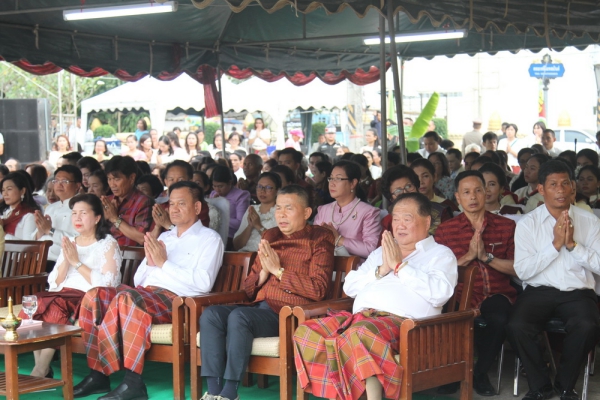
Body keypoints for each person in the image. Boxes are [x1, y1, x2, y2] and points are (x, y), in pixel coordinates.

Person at [294, 192, 458, 400]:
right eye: (395, 219)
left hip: (407, 326)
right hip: (360, 320)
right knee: (306, 331)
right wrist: (382, 269)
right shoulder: (382, 253)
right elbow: (351, 286)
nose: (399, 225)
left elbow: (440, 294)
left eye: (407, 219)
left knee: (360, 333)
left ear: (427, 222)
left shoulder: (440, 254)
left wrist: (400, 266)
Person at [73, 181, 223, 399]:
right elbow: (138, 279)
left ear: (198, 208)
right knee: (95, 295)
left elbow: (203, 284)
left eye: (181, 204)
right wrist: (153, 262)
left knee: (126, 299)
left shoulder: (210, 239)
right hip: (146, 294)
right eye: (171, 204)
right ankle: (98, 375)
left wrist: (164, 264)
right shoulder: (164, 237)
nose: (174, 209)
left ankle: (134, 382)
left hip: (178, 302)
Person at [200, 185, 334, 400]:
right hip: (258, 308)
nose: (280, 214)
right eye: (278, 208)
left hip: (288, 314)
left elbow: (318, 289)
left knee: (239, 317)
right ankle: (213, 391)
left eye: (288, 208)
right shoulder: (271, 235)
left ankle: (229, 392)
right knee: (211, 314)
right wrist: (263, 272)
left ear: (307, 213)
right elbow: (248, 289)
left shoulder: (319, 238)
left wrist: (279, 271)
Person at [506, 160, 600, 400]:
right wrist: (556, 245)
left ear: (573, 189)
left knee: (588, 325)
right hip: (539, 291)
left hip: (578, 291)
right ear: (541, 190)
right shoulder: (528, 224)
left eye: (565, 184)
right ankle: (540, 386)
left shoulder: (590, 222)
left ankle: (565, 385)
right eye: (553, 184)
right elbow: (524, 271)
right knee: (517, 325)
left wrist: (572, 245)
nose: (560, 190)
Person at [435, 170, 517, 396]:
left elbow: (518, 268)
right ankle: (453, 372)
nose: (473, 197)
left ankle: (478, 373)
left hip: (497, 294)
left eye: (478, 191)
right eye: (466, 192)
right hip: (461, 295)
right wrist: (470, 256)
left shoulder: (506, 226)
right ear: (457, 198)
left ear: (487, 193)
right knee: (444, 315)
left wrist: (486, 257)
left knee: (500, 317)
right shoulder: (445, 230)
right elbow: (440, 272)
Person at [21, 194, 121, 378]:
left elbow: (109, 284)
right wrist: (67, 261)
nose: (77, 218)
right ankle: (42, 367)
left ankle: (40, 371)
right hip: (64, 293)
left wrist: (76, 263)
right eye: (74, 213)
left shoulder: (107, 243)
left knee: (56, 305)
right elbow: (55, 283)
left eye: (83, 213)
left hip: (89, 297)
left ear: (98, 217)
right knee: (36, 302)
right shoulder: (72, 241)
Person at [313, 160, 381, 259]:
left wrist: (339, 239)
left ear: (353, 183)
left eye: (338, 178)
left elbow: (371, 249)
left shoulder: (368, 212)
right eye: (331, 178)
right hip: (324, 267)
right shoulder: (323, 210)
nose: (332, 183)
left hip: (355, 271)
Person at [34, 165, 82, 272]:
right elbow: (34, 237)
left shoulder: (82, 208)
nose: (59, 185)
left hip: (61, 262)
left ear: (77, 185)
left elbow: (80, 240)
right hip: (39, 258)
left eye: (64, 181)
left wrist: (50, 231)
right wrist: (41, 231)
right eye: (56, 181)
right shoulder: (51, 207)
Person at [101, 156, 153, 246]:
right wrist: (103, 219)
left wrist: (115, 219)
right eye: (109, 179)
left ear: (132, 178)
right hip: (104, 254)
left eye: (117, 179)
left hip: (129, 257)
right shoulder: (107, 201)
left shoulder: (143, 202)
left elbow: (142, 238)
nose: (112, 184)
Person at [233, 172, 281, 252]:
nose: (262, 191)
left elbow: (277, 244)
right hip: (244, 257)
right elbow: (237, 245)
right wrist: (250, 226)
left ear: (277, 191)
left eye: (268, 187)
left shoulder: (281, 212)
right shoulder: (252, 209)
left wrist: (258, 226)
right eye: (259, 187)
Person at [210, 165, 251, 247]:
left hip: (231, 237)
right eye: (214, 186)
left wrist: (219, 217)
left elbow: (240, 223)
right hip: (213, 235)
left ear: (230, 183)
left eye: (221, 186)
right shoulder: (213, 194)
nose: (217, 190)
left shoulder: (241, 195)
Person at [0, 172, 42, 240]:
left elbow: (28, 245)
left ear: (22, 191)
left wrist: (3, 234)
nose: (5, 193)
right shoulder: (4, 212)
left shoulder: (29, 215)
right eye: (3, 190)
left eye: (9, 189)